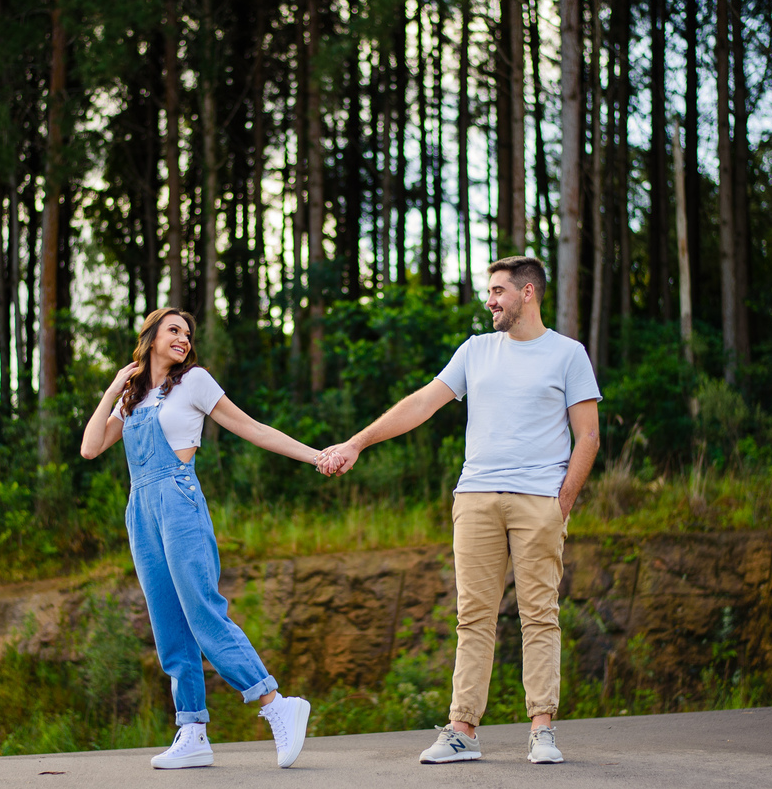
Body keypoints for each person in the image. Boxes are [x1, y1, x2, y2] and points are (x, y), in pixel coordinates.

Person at [319, 256, 600, 765]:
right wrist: (357, 442)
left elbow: (589, 435)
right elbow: (421, 403)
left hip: (539, 501)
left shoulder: (567, 354)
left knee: (539, 615)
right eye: (489, 291)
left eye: (498, 291)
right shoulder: (475, 351)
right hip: (475, 499)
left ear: (528, 292)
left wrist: (562, 504)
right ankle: (463, 730)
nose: (489, 300)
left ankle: (542, 730)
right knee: (473, 616)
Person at [81, 307, 336, 770]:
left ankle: (275, 702)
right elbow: (91, 446)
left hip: (179, 499)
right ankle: (192, 730)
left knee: (201, 609)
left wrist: (314, 456)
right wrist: (113, 389)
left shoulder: (193, 381)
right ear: (151, 336)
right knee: (167, 621)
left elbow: (251, 428)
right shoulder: (133, 397)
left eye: (187, 333)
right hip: (140, 509)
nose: (182, 338)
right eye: (173, 330)